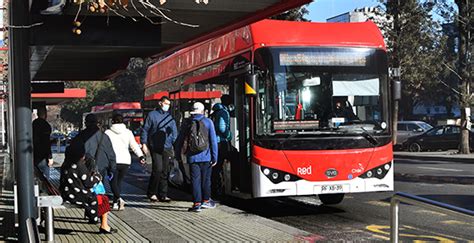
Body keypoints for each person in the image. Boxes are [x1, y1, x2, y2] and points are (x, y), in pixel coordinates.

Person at [59, 140, 117, 234]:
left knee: (97, 197)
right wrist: (98, 177)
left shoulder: (65, 164)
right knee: (103, 199)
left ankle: (93, 218)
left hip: (67, 193)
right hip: (76, 195)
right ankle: (104, 226)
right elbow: (89, 183)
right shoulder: (79, 165)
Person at [175, 102, 218, 212]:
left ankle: (197, 203)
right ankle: (206, 201)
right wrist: (215, 157)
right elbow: (213, 141)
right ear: (203, 111)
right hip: (207, 156)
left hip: (192, 157)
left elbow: (180, 140)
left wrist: (177, 154)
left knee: (195, 180)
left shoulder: (187, 123)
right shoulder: (208, 122)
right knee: (206, 180)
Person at [105, 114, 146, 210]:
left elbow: (104, 147)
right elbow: (134, 146)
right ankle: (115, 202)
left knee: (112, 182)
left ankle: (118, 198)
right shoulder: (128, 132)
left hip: (112, 161)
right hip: (125, 161)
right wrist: (140, 156)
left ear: (112, 121)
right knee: (119, 182)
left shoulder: (107, 133)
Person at [141, 96, 178, 202]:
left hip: (166, 146)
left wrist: (173, 143)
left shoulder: (169, 117)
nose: (167, 106)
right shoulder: (152, 115)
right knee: (157, 169)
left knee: (165, 171)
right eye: (166, 103)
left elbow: (174, 132)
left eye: (169, 104)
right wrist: (144, 143)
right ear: (160, 103)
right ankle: (152, 192)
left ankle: (163, 194)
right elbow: (146, 129)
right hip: (155, 146)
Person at [76, 114, 117, 183]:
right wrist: (112, 168)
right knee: (98, 188)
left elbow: (73, 151)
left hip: (83, 167)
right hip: (100, 167)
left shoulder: (80, 136)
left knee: (84, 187)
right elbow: (110, 154)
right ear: (97, 123)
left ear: (86, 123)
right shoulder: (104, 136)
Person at [210, 95, 232, 198]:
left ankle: (215, 187)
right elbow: (222, 128)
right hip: (221, 142)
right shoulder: (224, 112)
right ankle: (220, 188)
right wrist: (229, 136)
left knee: (216, 166)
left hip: (215, 142)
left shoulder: (215, 112)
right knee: (222, 164)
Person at [32, 106, 53, 179]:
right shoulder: (46, 125)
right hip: (43, 155)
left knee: (35, 176)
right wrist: (50, 157)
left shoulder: (33, 124)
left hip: (33, 154)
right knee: (45, 179)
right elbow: (46, 142)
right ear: (45, 114)